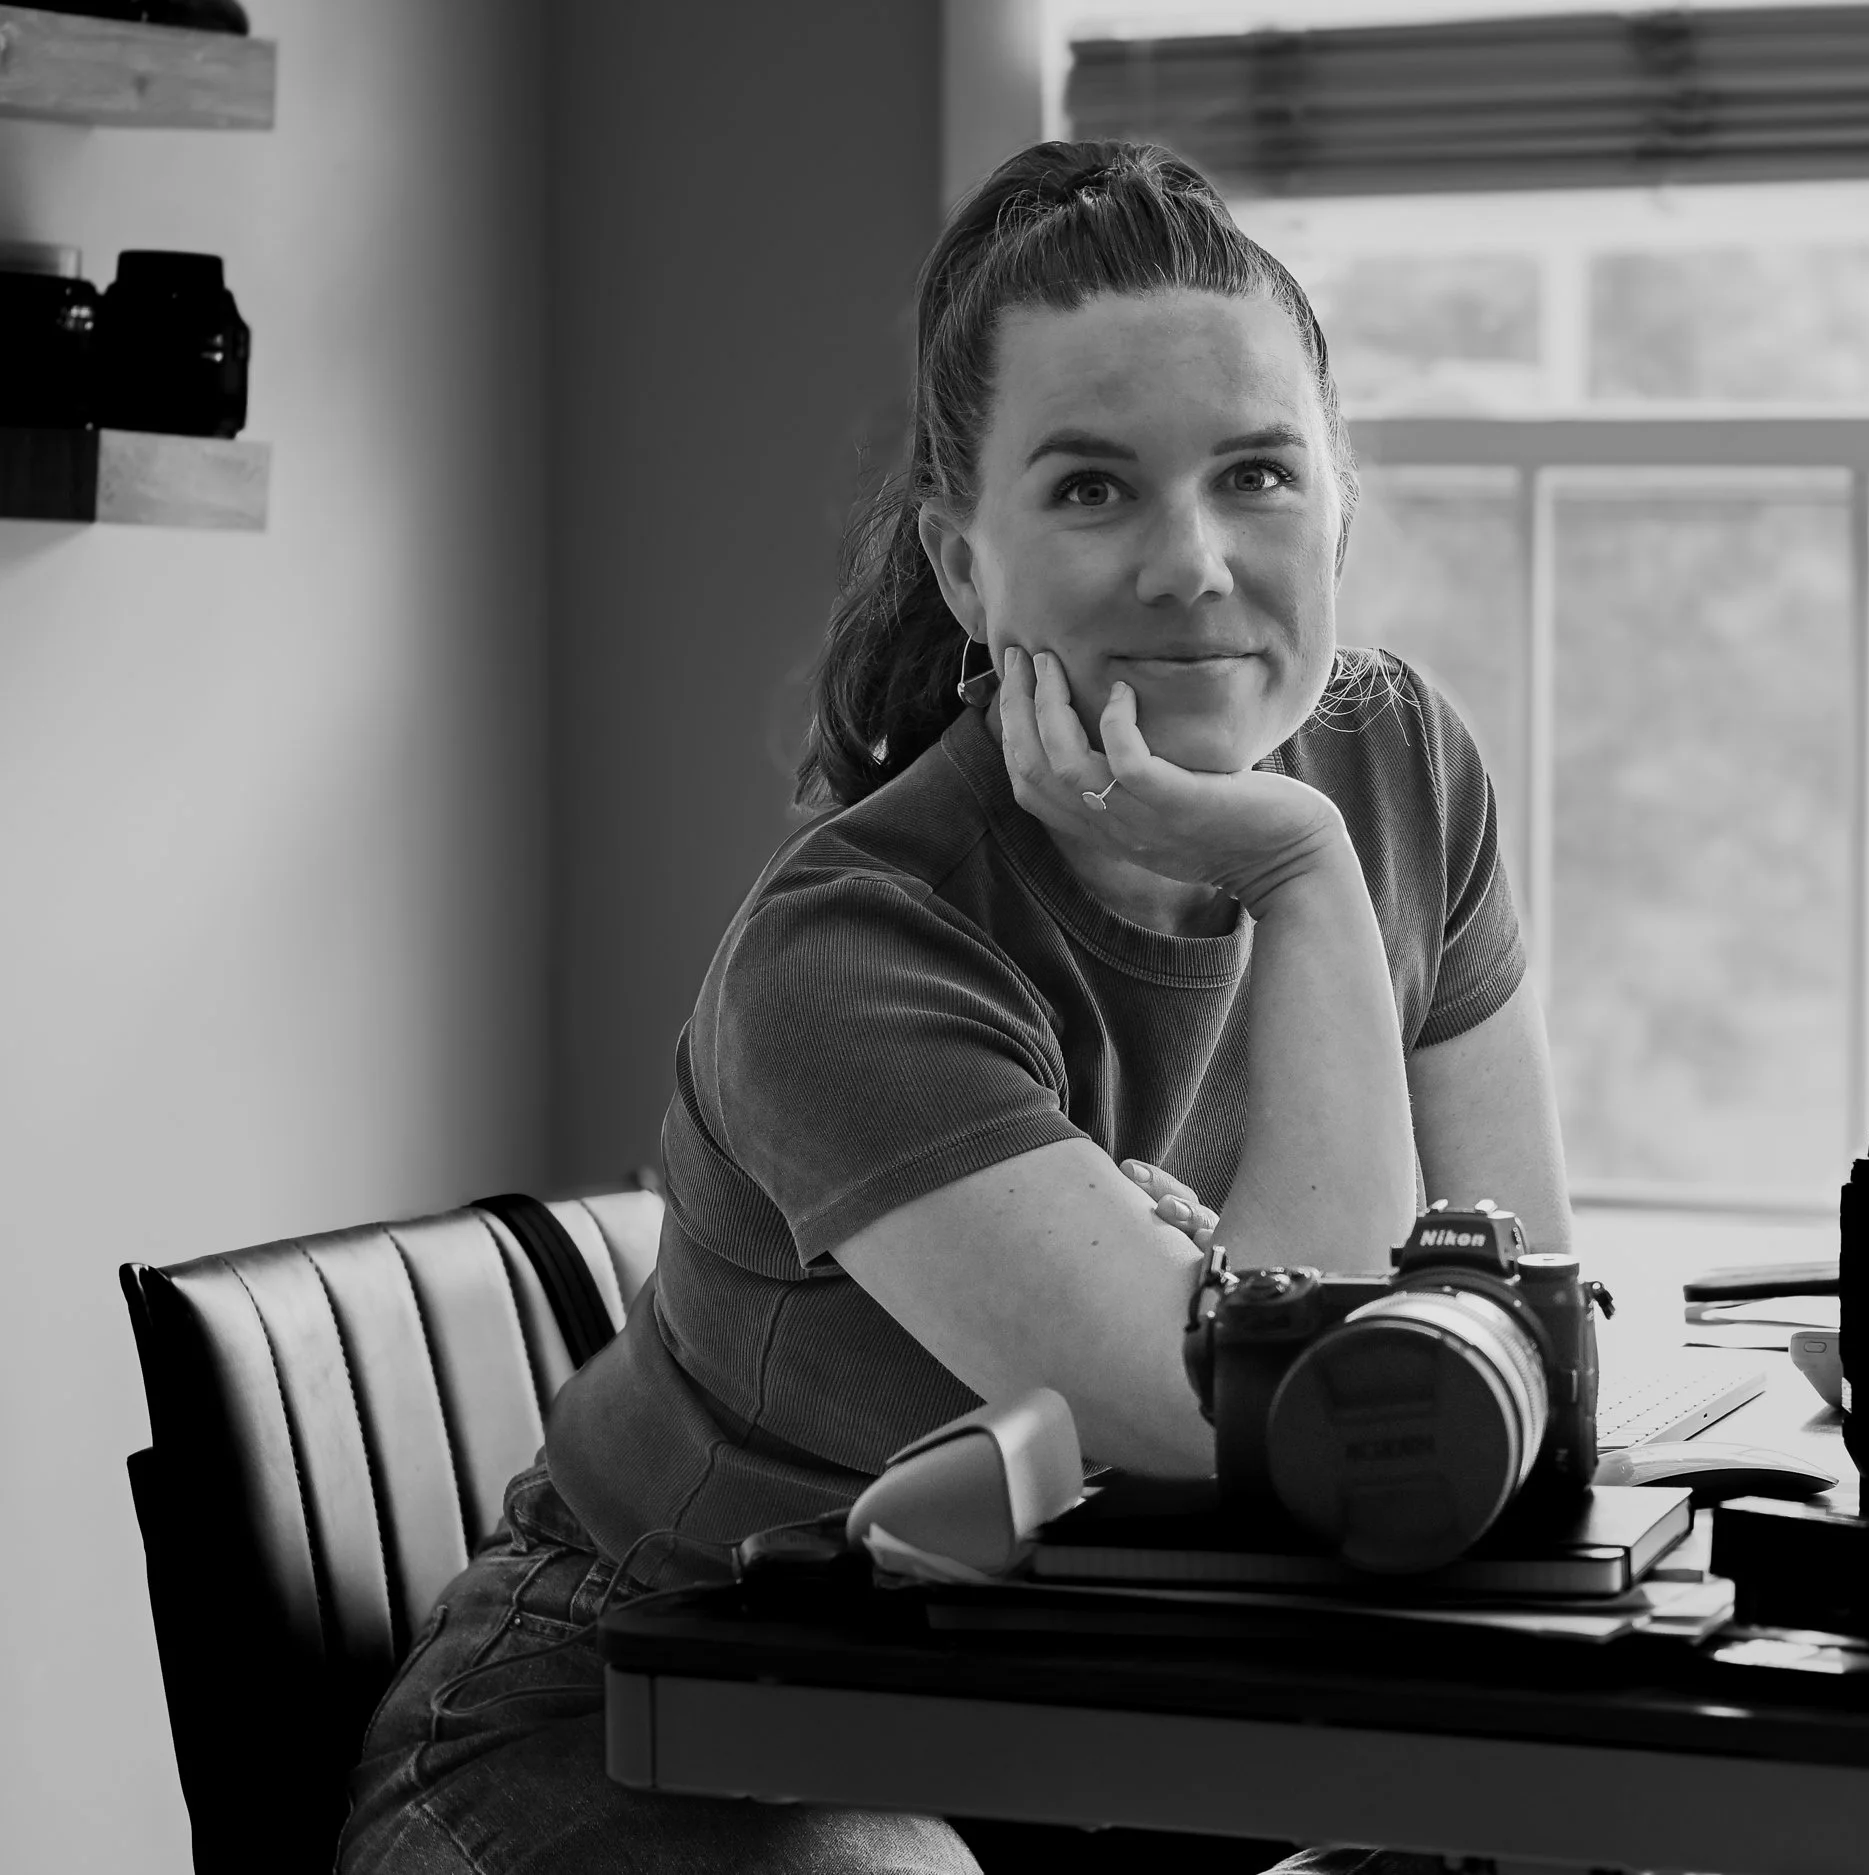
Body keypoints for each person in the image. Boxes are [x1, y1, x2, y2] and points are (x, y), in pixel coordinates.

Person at [338, 138, 1569, 1875]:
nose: (1193, 561)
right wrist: (1298, 872)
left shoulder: (1406, 768)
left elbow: (1513, 1336)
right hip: (659, 1725)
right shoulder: (848, 955)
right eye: (1092, 488)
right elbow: (1311, 1439)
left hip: (1063, 1728)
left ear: (1340, 504)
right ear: (963, 564)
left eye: (1257, 474)